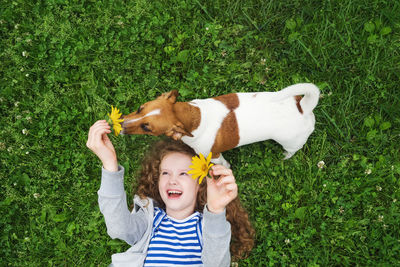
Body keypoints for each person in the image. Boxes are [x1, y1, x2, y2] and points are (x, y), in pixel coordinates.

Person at [87, 120, 254, 266]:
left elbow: (217, 264)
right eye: (165, 173)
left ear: (200, 186)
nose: (172, 180)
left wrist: (216, 210)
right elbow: (118, 228)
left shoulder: (206, 226)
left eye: (183, 174)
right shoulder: (151, 220)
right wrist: (110, 164)